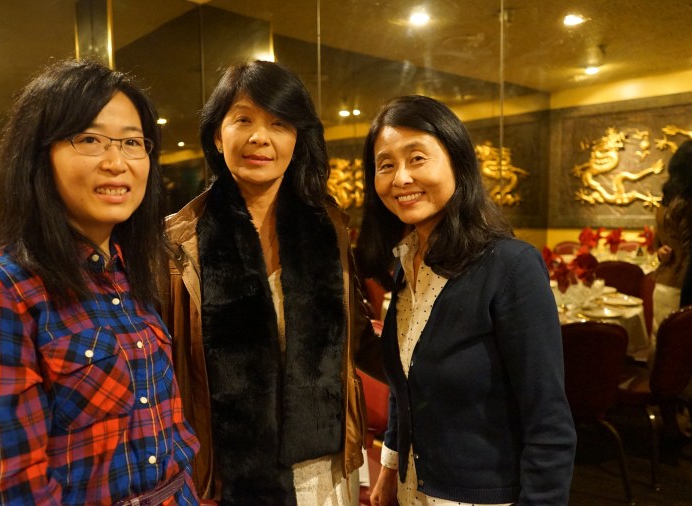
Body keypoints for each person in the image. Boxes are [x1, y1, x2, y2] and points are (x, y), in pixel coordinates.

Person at [0, 59, 199, 505]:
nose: (117, 162)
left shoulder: (129, 270)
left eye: (132, 142)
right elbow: (6, 490)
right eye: (90, 139)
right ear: (39, 156)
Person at [162, 59, 382, 505]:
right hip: (224, 477)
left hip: (325, 471)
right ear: (217, 135)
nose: (260, 137)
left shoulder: (330, 228)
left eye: (279, 123)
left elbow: (358, 341)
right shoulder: (177, 241)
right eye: (243, 120)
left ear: (298, 138)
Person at [356, 95, 577, 505]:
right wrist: (389, 465)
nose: (401, 178)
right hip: (412, 490)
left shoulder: (510, 266)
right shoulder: (406, 263)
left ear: (458, 161)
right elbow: (406, 383)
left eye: (417, 158)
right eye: (385, 165)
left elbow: (548, 421)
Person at [652, 139, 692, 335]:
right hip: (683, 285)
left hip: (665, 282)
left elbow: (659, 242)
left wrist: (661, 251)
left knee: (661, 341)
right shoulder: (686, 203)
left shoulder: (666, 200)